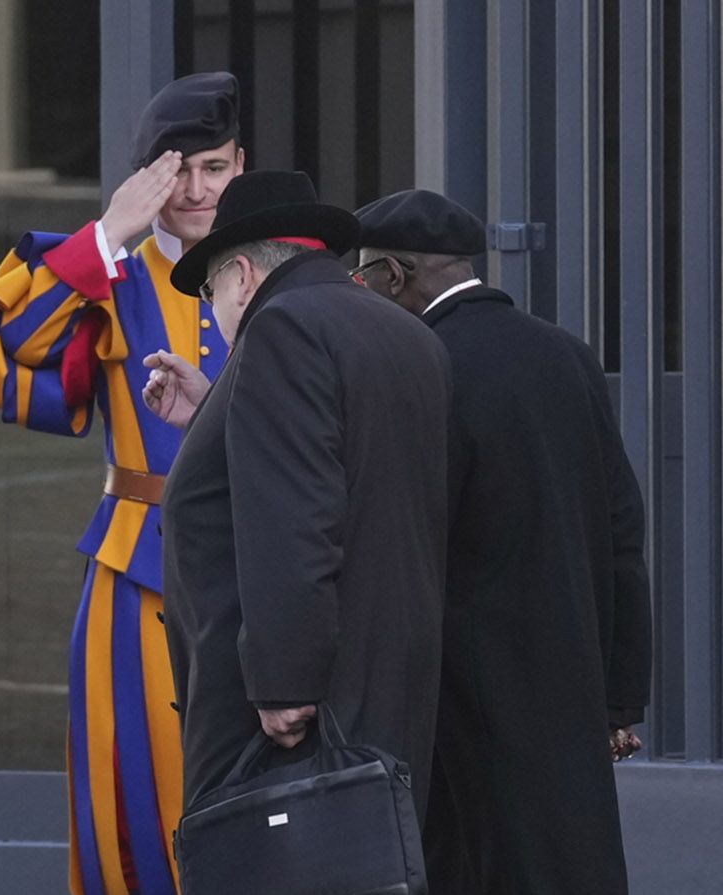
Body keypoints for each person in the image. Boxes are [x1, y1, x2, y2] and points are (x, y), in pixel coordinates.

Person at [0, 71, 242, 894]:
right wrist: (108, 234)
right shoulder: (106, 272)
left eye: (214, 170)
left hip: (260, 563)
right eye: (175, 170)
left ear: (240, 166)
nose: (194, 191)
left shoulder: (281, 268)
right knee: (133, 798)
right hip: (134, 567)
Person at [352, 188, 652, 895]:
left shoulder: (419, 364)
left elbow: (406, 542)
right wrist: (620, 695)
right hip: (569, 685)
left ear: (395, 276)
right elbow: (620, 529)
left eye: (362, 278)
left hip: (458, 700)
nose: (359, 293)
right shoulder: (567, 355)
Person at [156, 170, 451, 820]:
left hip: (294, 719)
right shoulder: (405, 333)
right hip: (389, 691)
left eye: (209, 291)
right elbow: (351, 474)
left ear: (241, 272)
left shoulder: (280, 329)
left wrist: (283, 679)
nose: (214, 311)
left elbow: (292, 518)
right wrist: (215, 415)